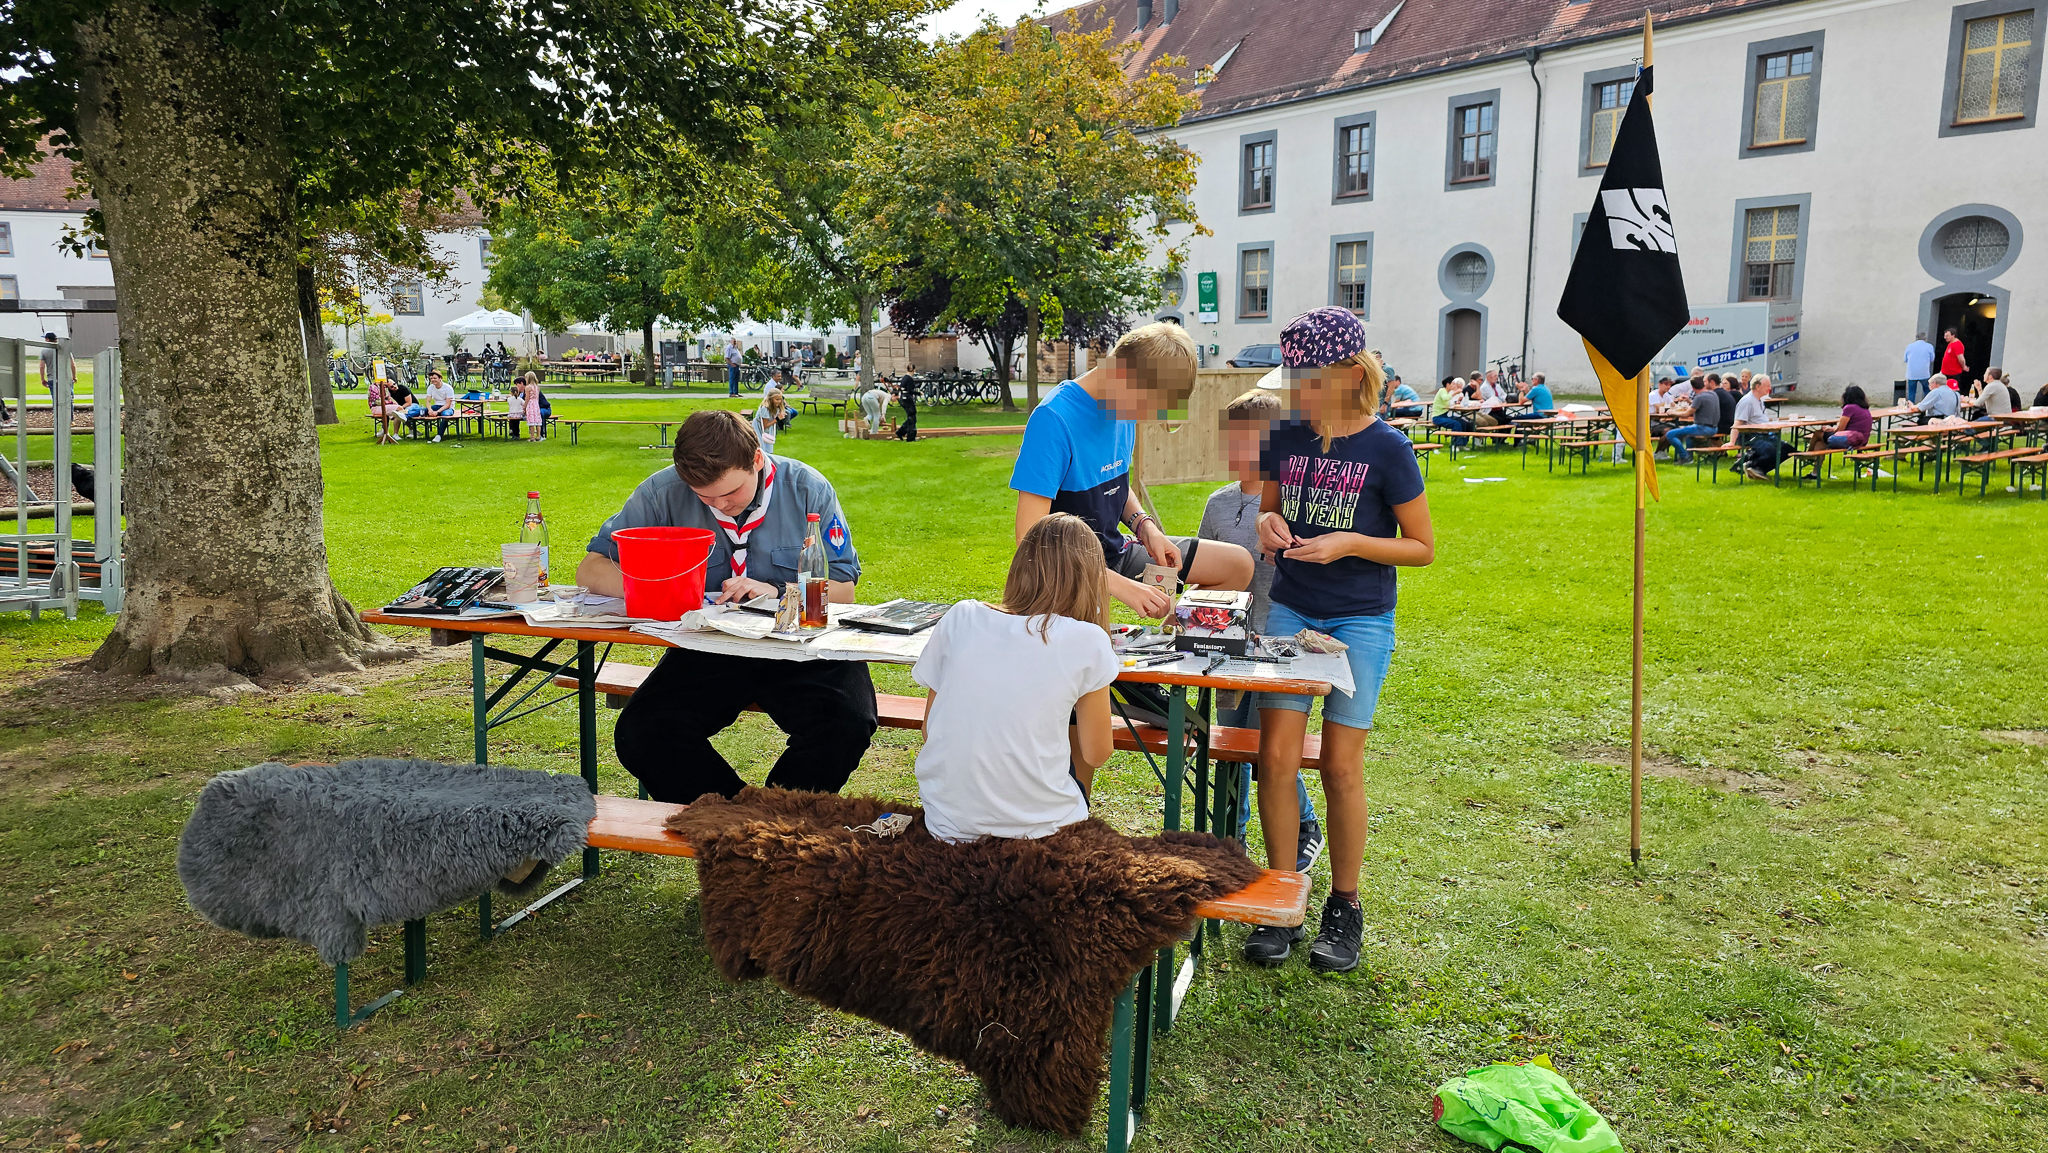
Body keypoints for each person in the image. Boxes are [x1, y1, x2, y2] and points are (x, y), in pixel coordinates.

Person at [1244, 307, 1435, 973]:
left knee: (1340, 766)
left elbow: (1421, 547)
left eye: (1310, 381)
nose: (1299, 395)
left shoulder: (1388, 448)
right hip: (1291, 609)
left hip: (1359, 619)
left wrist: (1352, 542)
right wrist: (1269, 525)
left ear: (1353, 375)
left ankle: (1344, 906)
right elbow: (1270, 506)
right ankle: (1280, 895)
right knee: (1275, 758)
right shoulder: (1288, 433)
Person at [584, 409, 875, 803]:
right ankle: (739, 826)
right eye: (705, 497)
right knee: (644, 731)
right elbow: (592, 567)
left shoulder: (807, 488)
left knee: (846, 725)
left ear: (757, 459)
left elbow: (842, 589)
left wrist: (775, 591)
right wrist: (655, 587)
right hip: (713, 648)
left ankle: (770, 829)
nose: (721, 506)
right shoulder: (663, 492)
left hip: (802, 644)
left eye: (731, 492)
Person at [1010, 322, 1253, 619]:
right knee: (1093, 650)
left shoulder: (1123, 406)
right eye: (1145, 408)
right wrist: (1122, 587)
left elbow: (1114, 487)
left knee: (1237, 564)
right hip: (1064, 575)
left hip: (1114, 554)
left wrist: (1145, 527)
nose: (1143, 419)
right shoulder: (1053, 419)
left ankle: (1179, 632)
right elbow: (1029, 539)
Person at [911, 514, 1116, 843]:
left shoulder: (961, 616)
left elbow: (928, 728)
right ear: (1090, 578)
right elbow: (1097, 753)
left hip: (947, 824)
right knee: (1075, 748)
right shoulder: (1087, 640)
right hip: (1042, 832)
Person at [1199, 389, 1324, 871]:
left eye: (1245, 438)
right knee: (1233, 741)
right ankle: (1237, 839)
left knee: (1267, 746)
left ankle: (1304, 822)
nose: (1234, 446)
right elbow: (1206, 568)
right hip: (1224, 644)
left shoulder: (1292, 500)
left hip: (1276, 643)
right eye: (1229, 436)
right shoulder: (1217, 503)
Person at [1733, 374, 1781, 480]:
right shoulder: (1747, 401)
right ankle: (1751, 465)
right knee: (1771, 449)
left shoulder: (1759, 400)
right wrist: (1731, 442)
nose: (1769, 388)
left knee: (1785, 448)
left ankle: (1759, 468)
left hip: (1763, 434)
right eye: (1767, 385)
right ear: (1757, 386)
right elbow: (1737, 423)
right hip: (1750, 436)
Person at [1661, 380, 1720, 464]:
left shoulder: (1699, 397)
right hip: (1714, 428)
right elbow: (1702, 404)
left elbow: (1686, 414)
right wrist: (1690, 401)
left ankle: (1684, 457)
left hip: (1702, 428)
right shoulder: (1713, 394)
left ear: (1692, 388)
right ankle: (1689, 457)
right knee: (1689, 436)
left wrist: (1672, 412)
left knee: (1670, 434)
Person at [1805, 385, 1872, 457]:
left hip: (1849, 440)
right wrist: (1832, 429)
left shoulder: (1849, 408)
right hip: (1862, 441)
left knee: (1817, 433)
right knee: (1820, 444)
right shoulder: (1865, 410)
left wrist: (1831, 429)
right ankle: (1816, 467)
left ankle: (1808, 455)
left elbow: (1840, 429)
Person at [1430, 376, 1472, 446]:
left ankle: (1463, 443)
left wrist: (1457, 402)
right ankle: (1455, 444)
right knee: (1456, 424)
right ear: (1448, 384)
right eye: (1453, 383)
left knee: (1464, 423)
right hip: (1438, 417)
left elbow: (1448, 403)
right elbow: (1445, 398)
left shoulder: (1448, 392)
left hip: (1445, 415)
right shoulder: (1442, 391)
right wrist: (1455, 393)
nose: (1454, 385)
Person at [423, 370, 458, 442]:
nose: (433, 380)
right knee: (422, 411)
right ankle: (407, 419)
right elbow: (428, 401)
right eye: (431, 378)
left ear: (440, 378)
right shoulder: (430, 387)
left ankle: (439, 435)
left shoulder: (448, 388)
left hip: (448, 408)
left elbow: (448, 404)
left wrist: (437, 412)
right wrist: (430, 409)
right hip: (436, 406)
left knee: (445, 415)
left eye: (435, 378)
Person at [753, 386, 790, 454]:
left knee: (769, 447)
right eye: (777, 399)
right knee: (762, 449)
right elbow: (765, 426)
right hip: (759, 428)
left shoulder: (776, 406)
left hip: (768, 427)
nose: (779, 401)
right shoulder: (765, 408)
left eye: (780, 399)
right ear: (770, 399)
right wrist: (777, 419)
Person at [1904, 332, 1936, 402]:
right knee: (1927, 390)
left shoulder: (1909, 346)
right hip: (1924, 373)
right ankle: (1926, 407)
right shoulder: (1929, 346)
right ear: (1925, 338)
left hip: (1911, 373)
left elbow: (1905, 359)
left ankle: (1910, 407)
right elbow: (1932, 359)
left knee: (1911, 392)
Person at [892, 373, 919, 441]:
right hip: (908, 399)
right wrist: (918, 393)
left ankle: (901, 432)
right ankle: (910, 436)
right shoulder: (909, 379)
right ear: (914, 370)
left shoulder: (904, 378)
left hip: (903, 399)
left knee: (911, 418)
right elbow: (910, 390)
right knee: (912, 417)